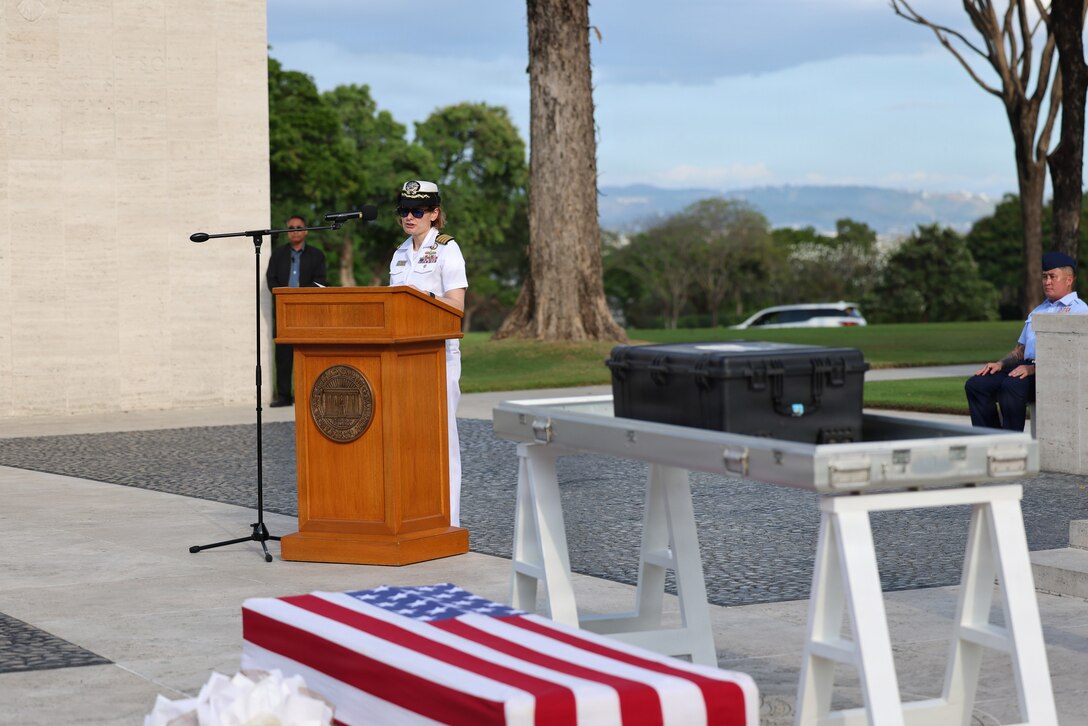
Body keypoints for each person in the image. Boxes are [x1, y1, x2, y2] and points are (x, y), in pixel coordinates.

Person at [387, 181, 468, 526]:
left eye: (417, 211)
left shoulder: (448, 249)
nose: (409, 216)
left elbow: (457, 306)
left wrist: (424, 303)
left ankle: (447, 519)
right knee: (406, 438)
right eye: (404, 210)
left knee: (441, 438)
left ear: (434, 214)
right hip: (402, 358)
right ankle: (414, 512)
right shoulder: (400, 252)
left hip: (437, 356)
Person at [965, 251, 1088, 430]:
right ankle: (990, 439)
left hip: (1053, 373)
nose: (1047, 282)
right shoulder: (1039, 310)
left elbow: (1076, 356)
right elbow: (1020, 350)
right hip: (1025, 367)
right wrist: (1000, 364)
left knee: (1012, 386)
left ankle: (1012, 446)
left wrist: (1034, 368)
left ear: (1069, 280)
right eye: (1044, 277)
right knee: (976, 385)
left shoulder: (1080, 311)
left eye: (1053, 277)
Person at [266, 215, 327, 407]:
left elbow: (320, 281)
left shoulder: (317, 255)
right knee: (283, 355)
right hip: (284, 309)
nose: (294, 231)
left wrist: (301, 297)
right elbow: (271, 279)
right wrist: (285, 297)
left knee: (308, 353)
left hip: (308, 310)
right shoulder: (278, 254)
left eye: (298, 227)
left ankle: (308, 394)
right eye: (290, 228)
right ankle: (284, 395)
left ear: (306, 230)